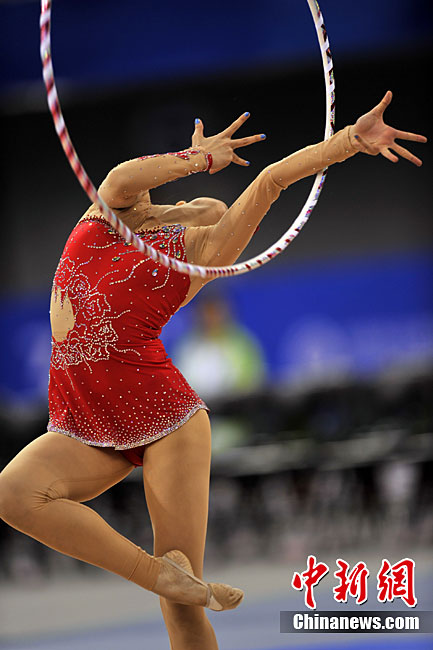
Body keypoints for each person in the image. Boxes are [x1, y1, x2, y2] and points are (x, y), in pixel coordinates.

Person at [0, 91, 426, 650]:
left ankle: (170, 582)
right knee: (13, 494)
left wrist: (347, 141)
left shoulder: (196, 254)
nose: (196, 202)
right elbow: (126, 175)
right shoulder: (104, 215)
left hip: (165, 423)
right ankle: (158, 575)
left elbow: (270, 180)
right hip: (84, 422)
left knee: (181, 611)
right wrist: (198, 158)